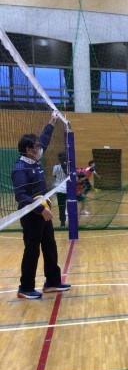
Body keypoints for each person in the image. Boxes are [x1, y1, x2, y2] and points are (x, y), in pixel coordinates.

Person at [11, 111, 71, 299]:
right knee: (32, 250)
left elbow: (44, 140)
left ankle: (52, 282)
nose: (39, 148)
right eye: (36, 147)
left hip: (43, 213)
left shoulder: (34, 159)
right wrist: (40, 209)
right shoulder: (20, 169)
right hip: (31, 215)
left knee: (50, 246)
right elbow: (21, 196)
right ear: (28, 149)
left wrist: (52, 122)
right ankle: (25, 288)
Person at [52, 152, 68, 227]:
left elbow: (54, 176)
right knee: (72, 205)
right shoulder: (69, 167)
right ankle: (73, 222)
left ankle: (62, 223)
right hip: (69, 189)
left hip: (59, 189)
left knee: (61, 207)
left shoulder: (55, 167)